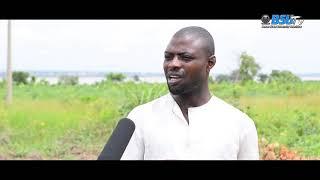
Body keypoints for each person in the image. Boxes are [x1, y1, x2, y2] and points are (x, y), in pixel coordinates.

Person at [121, 26, 259, 160]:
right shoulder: (140, 118)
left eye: (185, 58)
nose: (173, 64)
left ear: (210, 63)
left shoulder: (240, 124)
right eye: (168, 57)